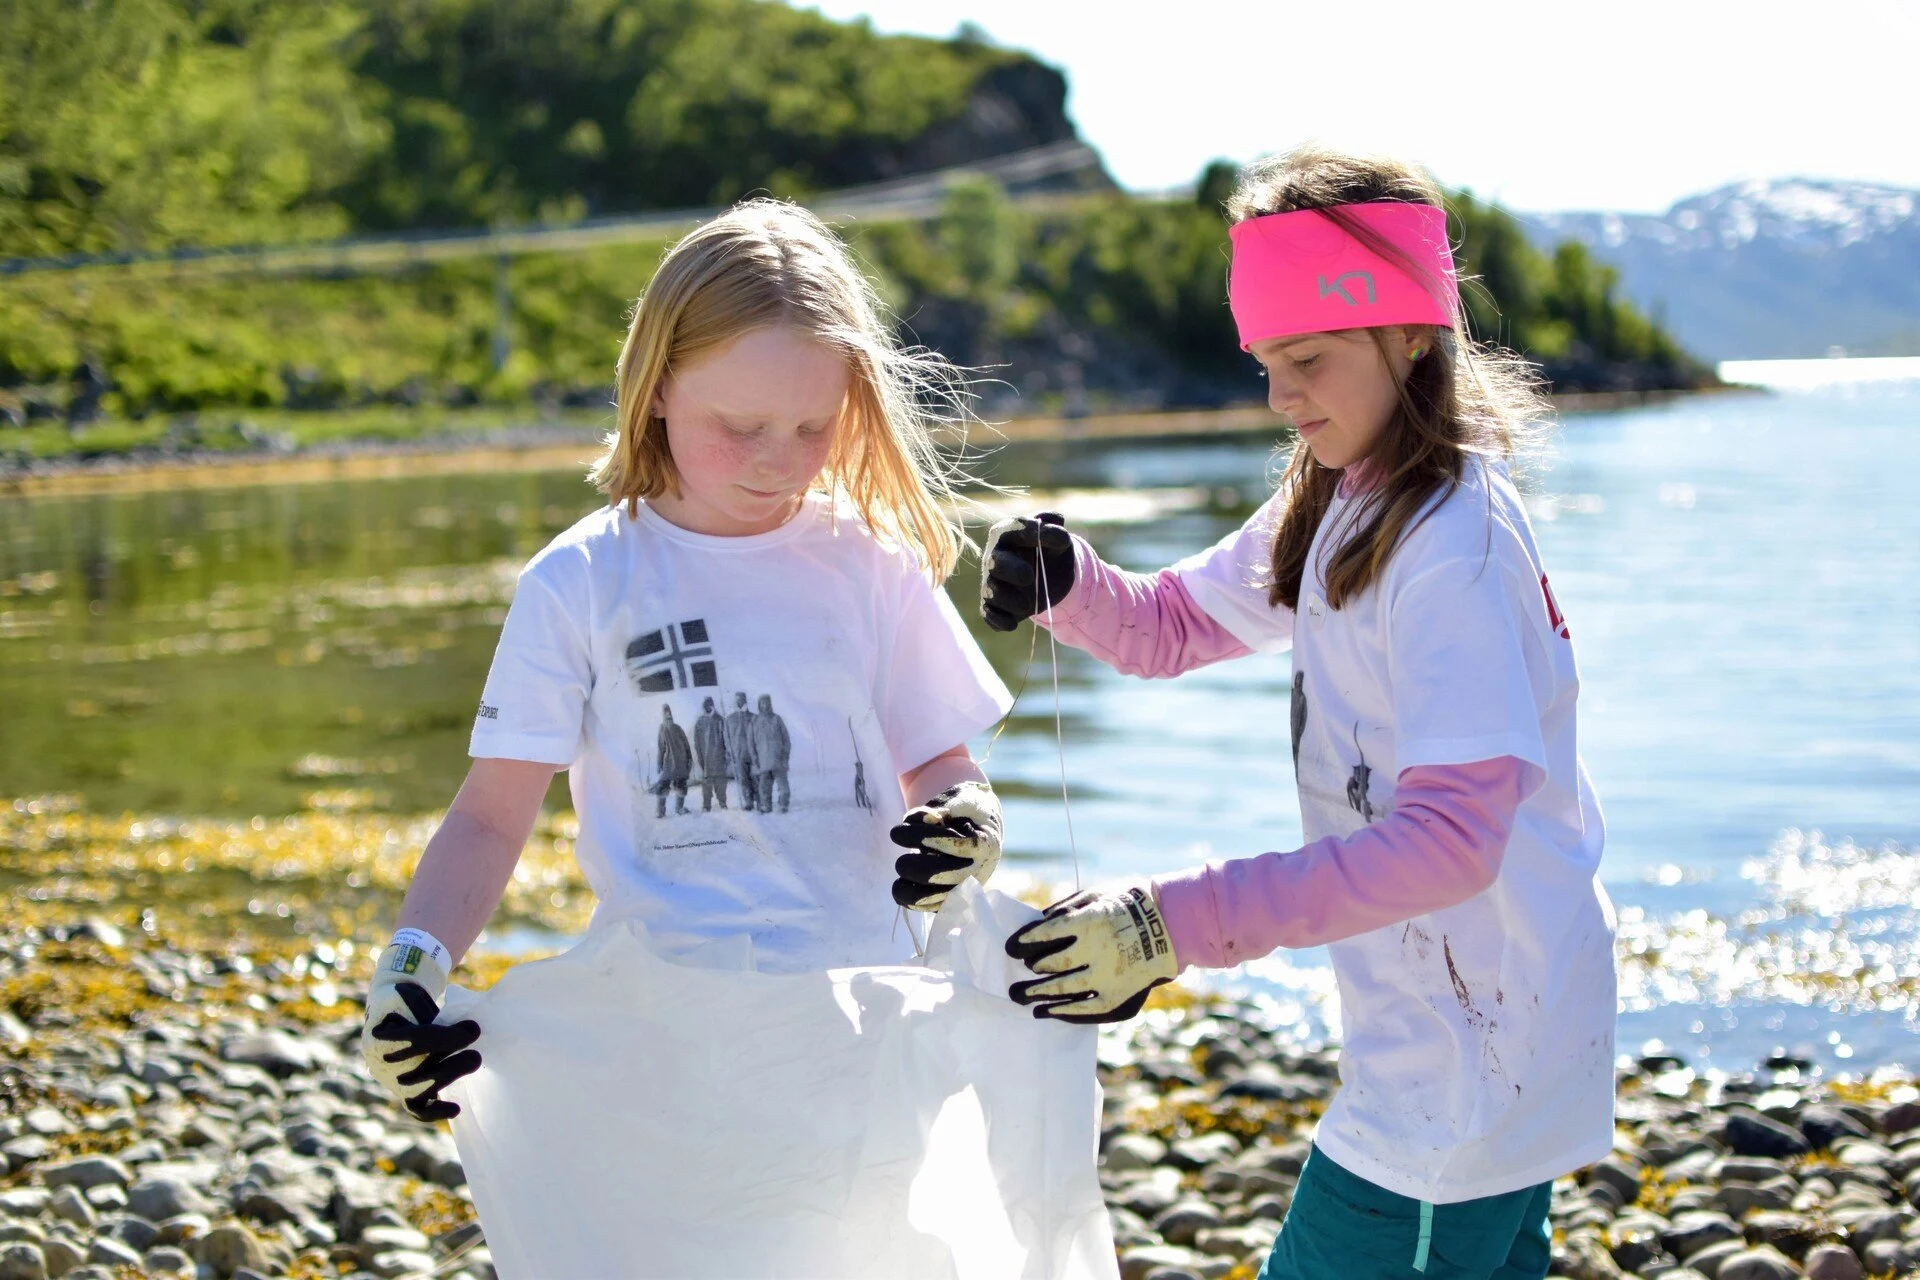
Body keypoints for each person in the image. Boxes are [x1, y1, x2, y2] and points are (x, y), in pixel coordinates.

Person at [986, 146, 1616, 1280]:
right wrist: (1070, 582)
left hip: (1465, 1069)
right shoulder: (1335, 496)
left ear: (1412, 332)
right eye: (1267, 363)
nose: (1281, 397)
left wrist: (1169, 923)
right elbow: (1174, 621)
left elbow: (1453, 843)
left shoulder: (1453, 554)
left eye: (1309, 359)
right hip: (1466, 1042)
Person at [361, 201, 1012, 1138]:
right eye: (740, 424)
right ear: (656, 386)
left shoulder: (868, 563)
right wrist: (413, 966)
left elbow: (940, 766)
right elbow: (489, 814)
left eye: (811, 427)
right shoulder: (581, 582)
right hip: (663, 1036)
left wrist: (969, 821)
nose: (777, 463)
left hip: (864, 1018)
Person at [751, 693, 791, 814]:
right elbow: (751, 743)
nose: (765, 705)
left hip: (778, 761)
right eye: (762, 703)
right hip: (763, 763)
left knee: (784, 789)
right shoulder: (755, 721)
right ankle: (766, 806)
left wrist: (785, 756)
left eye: (767, 702)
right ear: (759, 705)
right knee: (764, 789)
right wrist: (755, 759)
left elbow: (786, 740)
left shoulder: (777, 719)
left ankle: (783, 805)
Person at [655, 704, 693, 817]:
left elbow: (686, 745)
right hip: (669, 762)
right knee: (663, 785)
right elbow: (661, 748)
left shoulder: (678, 728)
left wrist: (689, 758)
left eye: (669, 712)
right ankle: (660, 811)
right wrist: (659, 762)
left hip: (681, 761)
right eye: (665, 712)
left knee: (681, 784)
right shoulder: (662, 729)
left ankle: (679, 808)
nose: (668, 714)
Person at [693, 696, 730, 810]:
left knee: (720, 782)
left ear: (712, 705)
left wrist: (726, 756)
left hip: (719, 757)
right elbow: (697, 742)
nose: (707, 707)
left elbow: (727, 740)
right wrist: (700, 757)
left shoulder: (720, 720)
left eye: (709, 705)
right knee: (706, 783)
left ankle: (722, 803)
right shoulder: (700, 722)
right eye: (705, 705)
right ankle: (706, 805)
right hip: (706, 758)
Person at [725, 691, 759, 810]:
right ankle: (748, 801)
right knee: (743, 780)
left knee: (755, 778)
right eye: (737, 700)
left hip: (753, 754)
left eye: (742, 699)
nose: (740, 702)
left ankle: (759, 799)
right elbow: (726, 738)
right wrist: (730, 752)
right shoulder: (730, 719)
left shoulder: (754, 717)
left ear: (745, 700)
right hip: (738, 755)